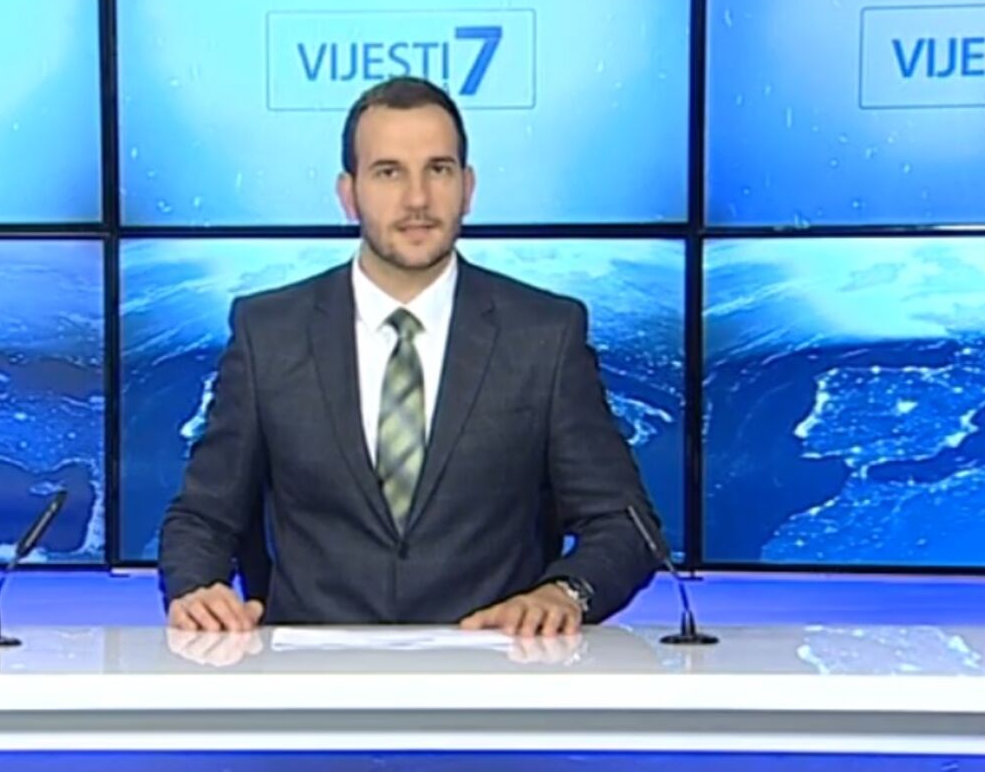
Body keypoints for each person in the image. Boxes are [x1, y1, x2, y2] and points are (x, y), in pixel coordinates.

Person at [159, 76, 663, 636]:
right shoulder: (269, 333)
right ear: (348, 195)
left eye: (438, 170)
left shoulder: (545, 334)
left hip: (495, 670)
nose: (418, 199)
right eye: (388, 172)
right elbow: (202, 518)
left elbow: (625, 526)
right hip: (310, 677)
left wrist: (564, 593)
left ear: (468, 187)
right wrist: (197, 589)